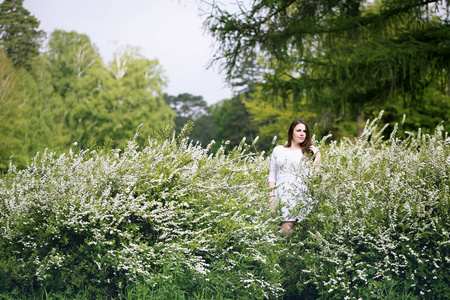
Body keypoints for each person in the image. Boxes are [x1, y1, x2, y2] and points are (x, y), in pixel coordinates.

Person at [268, 119, 321, 236]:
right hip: (281, 194)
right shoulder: (278, 150)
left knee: (289, 225)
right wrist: (271, 199)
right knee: (279, 227)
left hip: (300, 195)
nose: (302, 133)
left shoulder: (307, 152)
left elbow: (313, 177)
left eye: (304, 131)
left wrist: (317, 157)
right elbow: (272, 176)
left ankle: (282, 251)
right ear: (292, 132)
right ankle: (281, 251)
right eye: (298, 130)